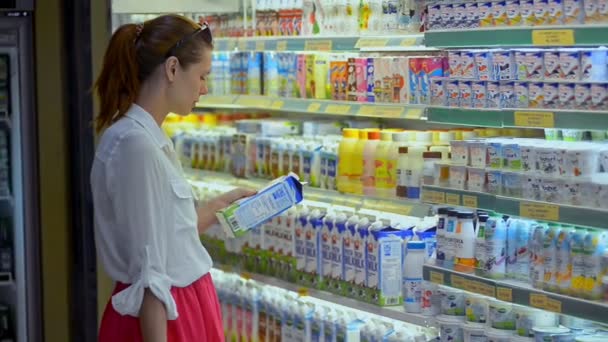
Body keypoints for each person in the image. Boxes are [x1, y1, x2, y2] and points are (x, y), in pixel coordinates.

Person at [91, 14, 254, 342]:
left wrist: (218, 206)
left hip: (179, 309)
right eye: (203, 76)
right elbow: (151, 275)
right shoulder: (136, 147)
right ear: (173, 69)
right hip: (165, 319)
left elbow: (163, 238)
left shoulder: (148, 138)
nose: (205, 89)